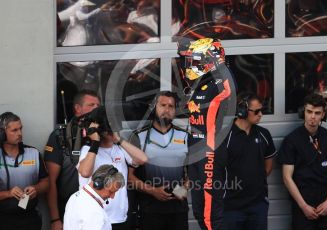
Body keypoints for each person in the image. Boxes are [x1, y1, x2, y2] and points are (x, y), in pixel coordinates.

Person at [178, 37, 233, 229]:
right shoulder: (201, 84)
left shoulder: (220, 82)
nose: (191, 65)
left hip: (210, 153)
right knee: (199, 211)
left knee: (211, 214)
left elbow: (228, 88)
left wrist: (218, 61)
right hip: (194, 153)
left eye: (195, 60)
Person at [277, 93, 327, 230]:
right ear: (303, 112)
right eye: (309, 112)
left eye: (317, 113)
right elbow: (286, 177)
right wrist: (304, 206)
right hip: (302, 206)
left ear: (323, 115)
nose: (312, 117)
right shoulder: (291, 141)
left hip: (324, 205)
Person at [128, 91, 189, 230]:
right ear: (154, 107)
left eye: (171, 106)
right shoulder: (139, 137)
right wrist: (153, 191)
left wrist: (183, 190)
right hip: (149, 210)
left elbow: (194, 172)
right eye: (162, 105)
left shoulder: (185, 136)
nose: (166, 110)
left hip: (178, 210)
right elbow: (129, 176)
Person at [44, 89, 100, 229]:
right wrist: (55, 219)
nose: (96, 109)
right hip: (70, 209)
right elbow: (50, 181)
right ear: (77, 108)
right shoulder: (60, 136)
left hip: (101, 209)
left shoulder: (105, 135)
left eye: (98, 106)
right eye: (91, 105)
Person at [77, 119, 148, 230]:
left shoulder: (120, 149)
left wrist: (119, 140)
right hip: (94, 218)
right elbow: (85, 172)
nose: (112, 131)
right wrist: (95, 142)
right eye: (108, 128)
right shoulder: (87, 150)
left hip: (119, 218)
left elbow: (143, 159)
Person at [222, 93, 276, 230]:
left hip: (258, 205)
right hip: (231, 206)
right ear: (243, 111)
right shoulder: (225, 137)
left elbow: (269, 164)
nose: (261, 114)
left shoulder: (264, 134)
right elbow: (216, 170)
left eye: (261, 110)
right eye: (256, 111)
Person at [0, 112, 49, 230]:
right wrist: (8, 193)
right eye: (14, 130)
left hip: (30, 218)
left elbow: (46, 182)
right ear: (2, 133)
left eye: (21, 128)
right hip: (3, 219)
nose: (20, 134)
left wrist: (36, 189)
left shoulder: (33, 153)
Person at [64, 164, 125, 230]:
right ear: (99, 184)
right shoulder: (95, 213)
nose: (112, 196)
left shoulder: (74, 196)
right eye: (111, 192)